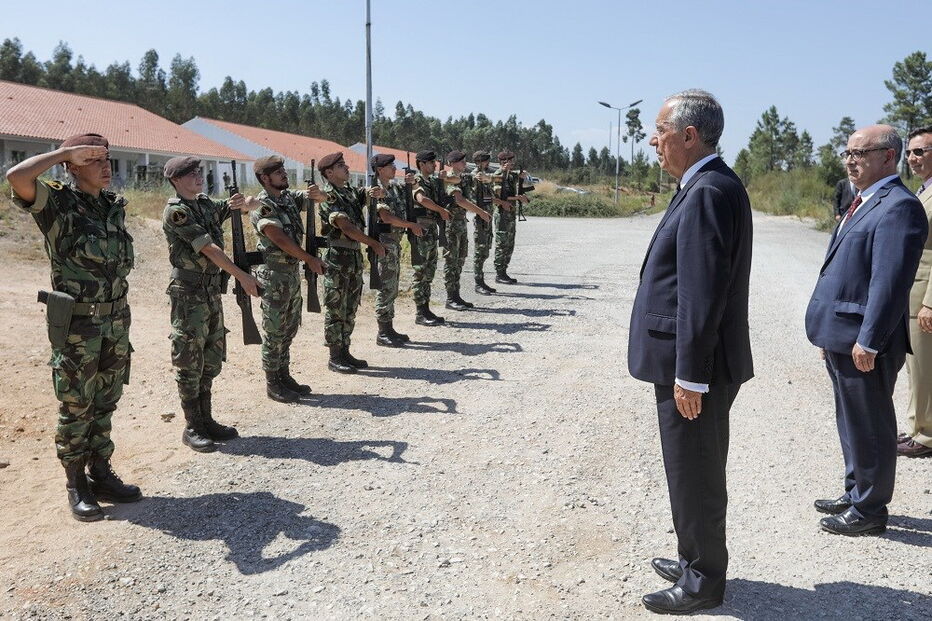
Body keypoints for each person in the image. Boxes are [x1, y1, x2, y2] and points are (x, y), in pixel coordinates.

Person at [627, 90, 753, 614]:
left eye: (660, 130)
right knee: (690, 468)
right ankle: (692, 557)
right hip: (692, 361)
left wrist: (691, 375)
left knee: (695, 472)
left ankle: (703, 581)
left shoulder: (706, 190)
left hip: (695, 365)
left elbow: (702, 293)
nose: (653, 140)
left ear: (689, 135)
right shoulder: (704, 183)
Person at [6, 133, 142, 522]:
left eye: (107, 158)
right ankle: (75, 483)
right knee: (76, 405)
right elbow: (16, 178)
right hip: (79, 326)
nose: (105, 166)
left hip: (115, 321)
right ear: (71, 167)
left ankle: (100, 472)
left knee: (105, 399)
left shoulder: (112, 206)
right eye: (93, 159)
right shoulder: (58, 203)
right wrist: (65, 152)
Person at [805, 125, 927, 535]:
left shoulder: (898, 206)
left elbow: (889, 282)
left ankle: (871, 509)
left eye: (861, 152)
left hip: (865, 339)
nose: (850, 160)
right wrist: (828, 332)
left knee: (871, 422)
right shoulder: (862, 202)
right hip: (841, 332)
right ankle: (857, 488)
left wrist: (869, 339)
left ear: (888, 157)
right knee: (850, 417)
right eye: (848, 152)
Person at [162, 155, 262, 453]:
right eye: (190, 174)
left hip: (209, 291)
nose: (198, 176)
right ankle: (192, 425)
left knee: (211, 354)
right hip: (188, 291)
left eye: (198, 172)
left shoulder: (204, 204)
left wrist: (247, 202)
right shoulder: (177, 212)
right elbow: (208, 248)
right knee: (189, 357)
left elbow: (235, 207)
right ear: (176, 180)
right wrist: (242, 276)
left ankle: (206, 419)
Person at [251, 156, 326, 402]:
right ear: (265, 178)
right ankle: (272, 382)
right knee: (274, 330)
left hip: (290, 274)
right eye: (278, 172)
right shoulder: (264, 205)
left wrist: (317, 192)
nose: (284, 174)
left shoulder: (287, 198)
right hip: (274, 275)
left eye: (283, 170)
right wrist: (309, 259)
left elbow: (314, 197)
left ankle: (284, 375)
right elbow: (278, 237)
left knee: (289, 327)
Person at [316, 152, 385, 373]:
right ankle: (334, 355)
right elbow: (346, 227)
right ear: (329, 173)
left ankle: (345, 350)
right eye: (341, 166)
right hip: (338, 258)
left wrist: (376, 191)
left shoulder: (349, 192)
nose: (346, 168)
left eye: (345, 164)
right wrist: (372, 243)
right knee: (336, 307)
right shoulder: (329, 196)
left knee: (350, 307)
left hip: (353, 257)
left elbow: (367, 194)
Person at [898, 125, 932, 458]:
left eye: (920, 151)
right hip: (913, 294)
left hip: (925, 298)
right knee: (916, 366)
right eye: (910, 152)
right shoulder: (923, 190)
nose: (912, 158)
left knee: (925, 367)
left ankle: (925, 435)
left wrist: (930, 304)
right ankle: (916, 426)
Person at [370, 153, 424, 346]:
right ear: (379, 170)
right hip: (384, 243)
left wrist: (412, 182)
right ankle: (382, 332)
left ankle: (389, 328)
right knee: (385, 286)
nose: (394, 168)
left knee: (392, 286)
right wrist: (410, 225)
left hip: (394, 242)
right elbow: (386, 217)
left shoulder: (394, 188)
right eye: (390, 165)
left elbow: (414, 189)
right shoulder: (377, 190)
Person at [441, 150, 492, 310]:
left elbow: (484, 179)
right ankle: (450, 298)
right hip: (451, 225)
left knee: (460, 260)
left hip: (460, 223)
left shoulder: (462, 178)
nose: (465, 164)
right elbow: (460, 200)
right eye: (461, 161)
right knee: (451, 261)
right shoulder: (448, 179)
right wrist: (481, 212)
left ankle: (456, 295)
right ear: (452, 163)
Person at [411, 150, 452, 326]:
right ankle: (420, 312)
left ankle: (426, 308)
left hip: (431, 230)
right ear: (421, 164)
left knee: (429, 271)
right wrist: (441, 210)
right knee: (421, 271)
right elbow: (422, 199)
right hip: (422, 230)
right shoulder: (416, 181)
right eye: (431, 162)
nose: (434, 165)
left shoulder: (432, 181)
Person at [471, 151, 511, 294]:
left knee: (485, 250)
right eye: (486, 161)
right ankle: (478, 282)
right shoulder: (475, 175)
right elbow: (474, 197)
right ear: (479, 162)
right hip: (480, 217)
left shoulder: (486, 175)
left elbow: (497, 179)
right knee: (479, 250)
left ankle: (481, 281)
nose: (488, 163)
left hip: (486, 215)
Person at [491, 150, 529, 284]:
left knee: (509, 245)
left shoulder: (512, 176)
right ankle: (499, 273)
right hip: (502, 214)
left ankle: (504, 271)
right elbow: (498, 195)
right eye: (509, 161)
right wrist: (516, 197)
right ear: (503, 162)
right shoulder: (498, 175)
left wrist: (521, 178)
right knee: (502, 244)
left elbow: (515, 189)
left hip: (510, 214)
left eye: (512, 161)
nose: (512, 163)